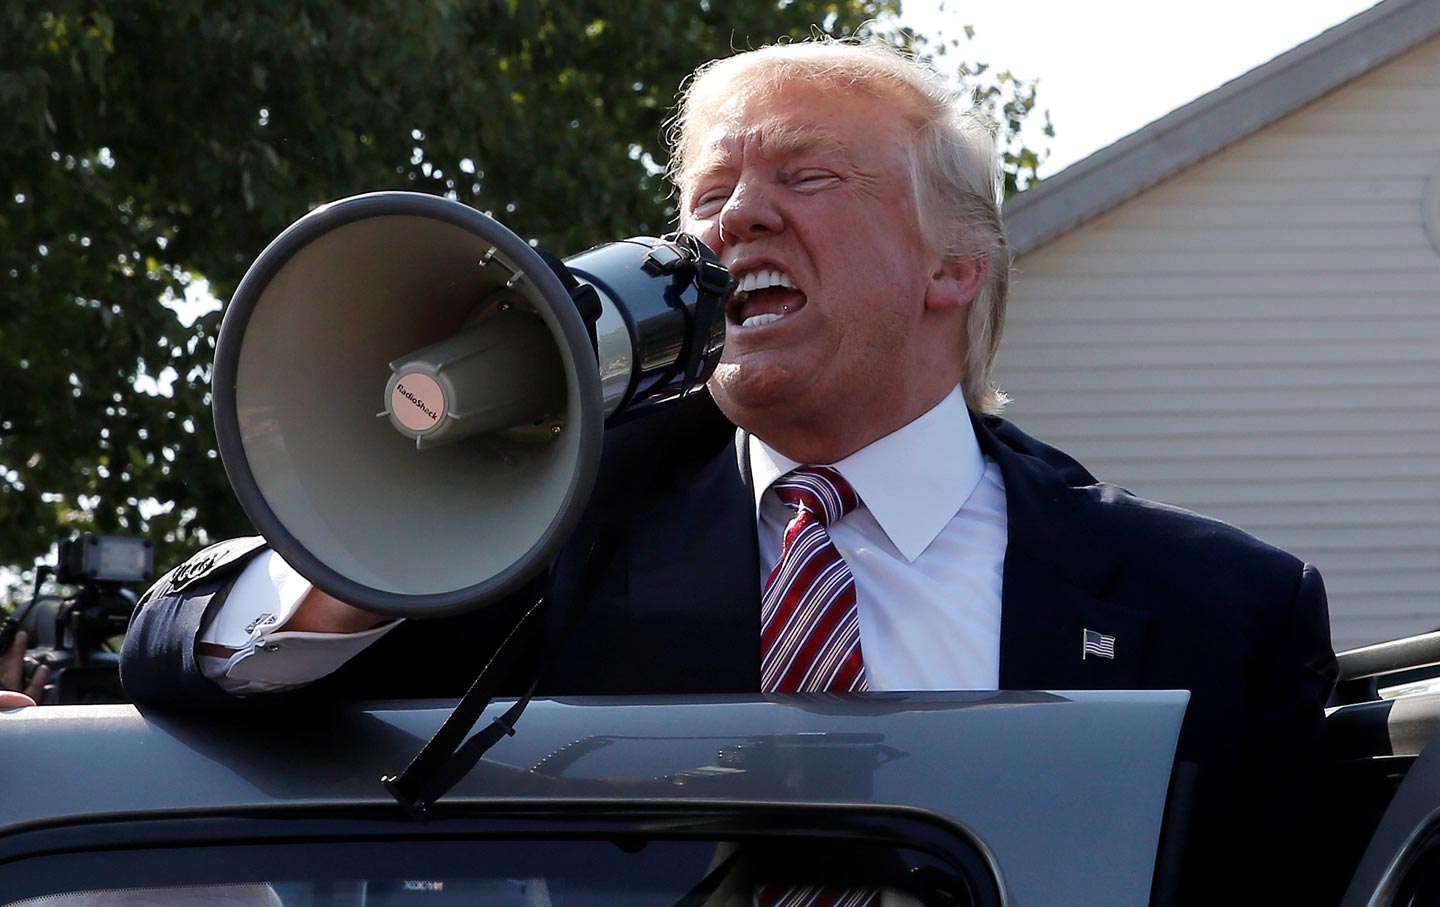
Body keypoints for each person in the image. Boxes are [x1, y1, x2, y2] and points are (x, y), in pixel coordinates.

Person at [121, 39, 1336, 903]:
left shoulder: (1218, 609)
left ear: (952, 267)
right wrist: (394, 525)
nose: (733, 221)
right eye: (708, 197)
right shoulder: (557, 533)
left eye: (804, 178)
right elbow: (181, 658)